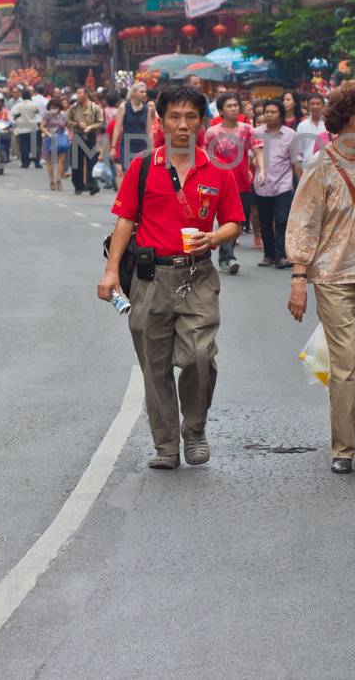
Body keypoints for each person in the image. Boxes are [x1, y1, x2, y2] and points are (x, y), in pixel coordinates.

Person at [98, 84, 244, 469]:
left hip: (197, 277)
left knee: (199, 356)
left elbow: (234, 222)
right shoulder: (142, 167)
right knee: (155, 364)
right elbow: (125, 221)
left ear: (201, 122)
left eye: (190, 117)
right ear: (161, 121)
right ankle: (165, 445)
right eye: (174, 117)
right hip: (150, 279)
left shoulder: (217, 170)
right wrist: (111, 271)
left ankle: (194, 427)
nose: (183, 125)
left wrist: (213, 237)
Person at [284, 81, 355, 474]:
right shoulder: (321, 164)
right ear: (347, 117)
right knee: (345, 362)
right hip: (332, 276)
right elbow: (303, 221)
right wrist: (298, 275)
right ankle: (343, 449)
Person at [202, 93, 256, 276]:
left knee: (240, 221)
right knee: (227, 220)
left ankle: (225, 254)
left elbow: (256, 151)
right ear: (221, 110)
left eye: (236, 105)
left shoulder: (248, 129)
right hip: (219, 182)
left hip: (242, 181)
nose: (234, 108)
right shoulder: (213, 132)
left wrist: (257, 169)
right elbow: (206, 157)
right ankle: (227, 257)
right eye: (229, 106)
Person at [253, 98, 299, 269]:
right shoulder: (256, 132)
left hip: (283, 183)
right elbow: (252, 156)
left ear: (281, 115)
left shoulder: (291, 135)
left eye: (273, 112)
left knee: (281, 219)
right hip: (262, 184)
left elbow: (295, 161)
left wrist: (300, 183)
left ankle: (281, 256)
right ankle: (268, 254)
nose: (269, 115)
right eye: (267, 112)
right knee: (265, 221)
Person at [67, 87, 104, 196]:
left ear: (86, 94)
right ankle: (78, 186)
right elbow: (67, 121)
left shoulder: (94, 107)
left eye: (79, 93)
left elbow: (100, 122)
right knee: (76, 163)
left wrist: (91, 127)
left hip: (90, 137)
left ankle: (92, 185)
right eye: (77, 93)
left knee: (91, 162)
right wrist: (77, 124)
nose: (77, 95)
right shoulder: (73, 107)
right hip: (77, 136)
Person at [111, 82, 152, 175]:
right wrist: (113, 147)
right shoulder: (124, 107)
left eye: (145, 92)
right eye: (142, 92)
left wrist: (151, 148)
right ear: (133, 93)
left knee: (141, 174)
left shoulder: (147, 109)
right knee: (127, 173)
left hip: (142, 146)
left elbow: (149, 131)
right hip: (126, 145)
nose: (144, 94)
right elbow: (117, 128)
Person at [42, 98, 70, 191]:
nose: (53, 108)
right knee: (49, 161)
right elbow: (42, 126)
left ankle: (58, 179)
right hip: (49, 138)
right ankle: (51, 181)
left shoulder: (63, 115)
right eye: (51, 106)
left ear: (59, 107)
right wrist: (47, 133)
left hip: (61, 139)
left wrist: (68, 135)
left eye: (55, 107)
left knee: (61, 160)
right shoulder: (47, 115)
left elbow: (67, 126)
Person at [12, 89, 42, 170]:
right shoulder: (33, 105)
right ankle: (36, 163)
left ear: (22, 96)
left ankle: (25, 163)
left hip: (22, 129)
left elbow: (13, 113)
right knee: (34, 146)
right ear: (30, 96)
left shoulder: (18, 105)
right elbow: (37, 111)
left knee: (24, 146)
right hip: (33, 128)